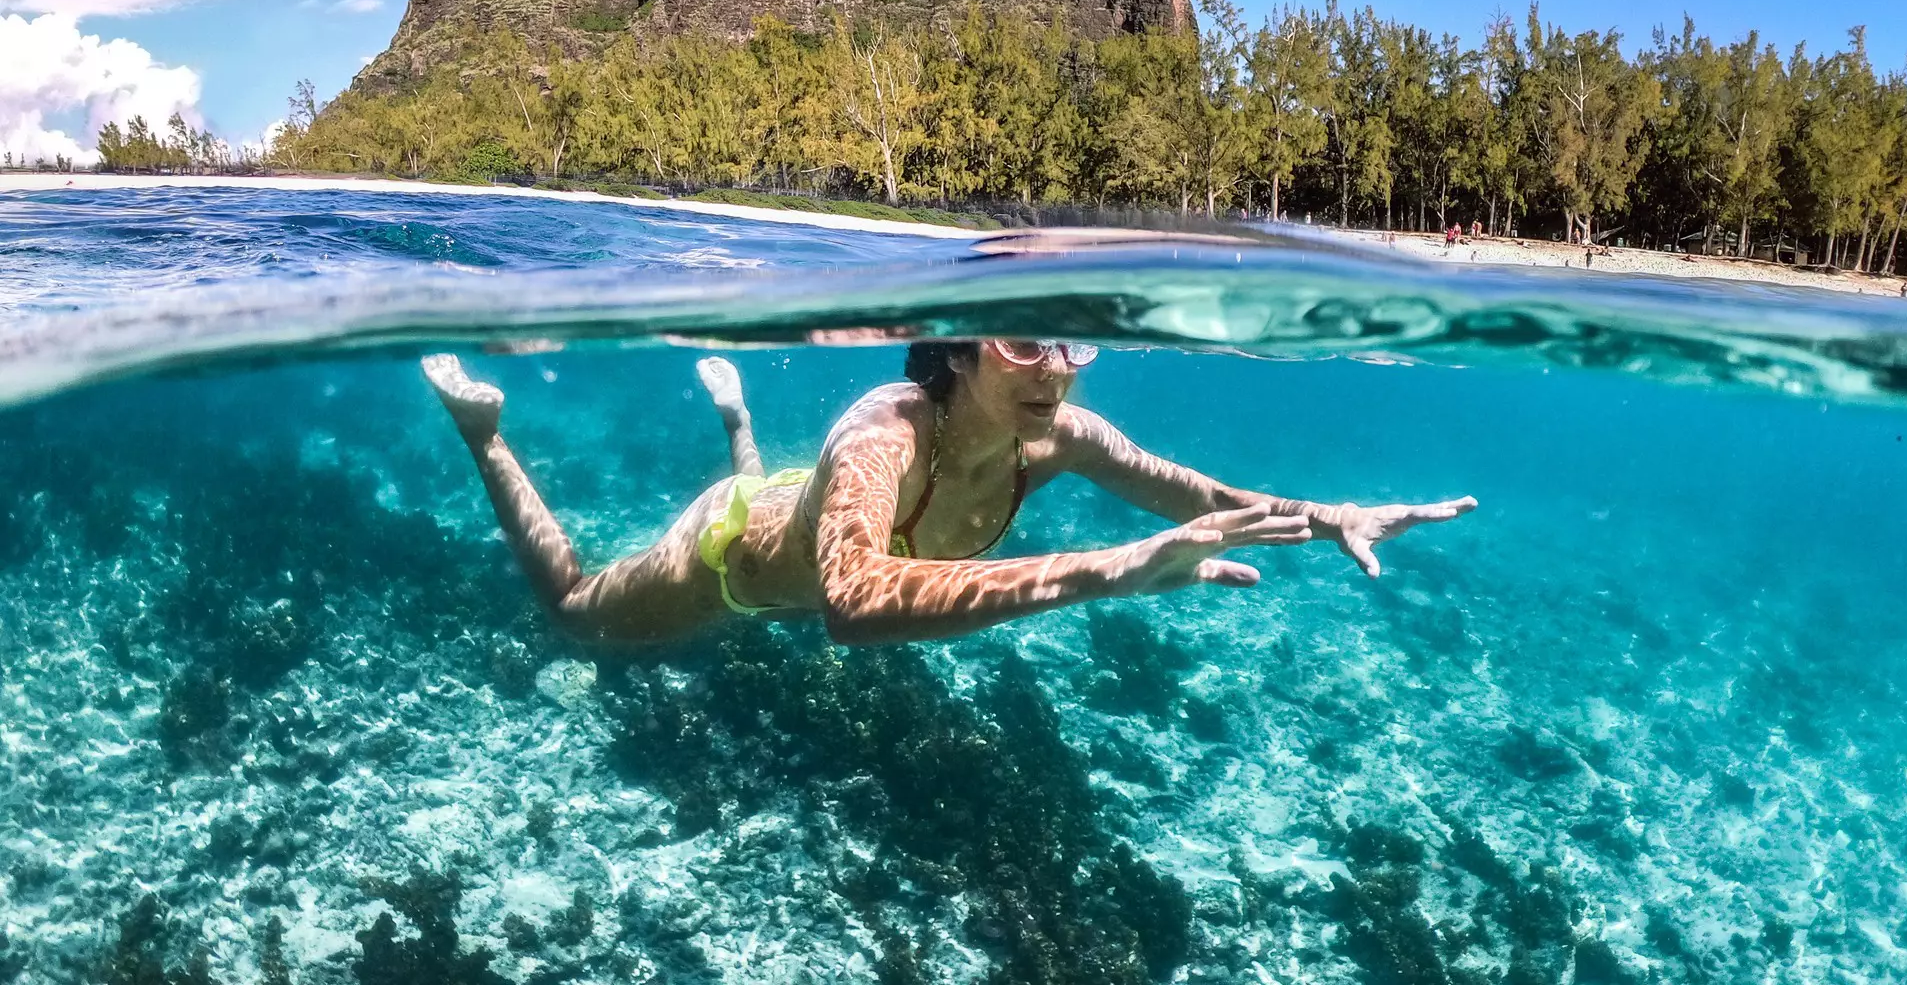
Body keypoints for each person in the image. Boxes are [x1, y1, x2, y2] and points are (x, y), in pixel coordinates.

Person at [421, 342, 1477, 647]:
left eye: (1071, 342)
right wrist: (1102, 572)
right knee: (573, 614)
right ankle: (486, 435)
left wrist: (1326, 513)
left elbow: (1196, 493)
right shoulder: (887, 426)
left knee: (786, 493)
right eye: (1024, 344)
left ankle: (739, 418)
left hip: (811, 501)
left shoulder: (1058, 434)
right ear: (961, 352)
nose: (1055, 370)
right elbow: (852, 601)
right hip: (732, 557)